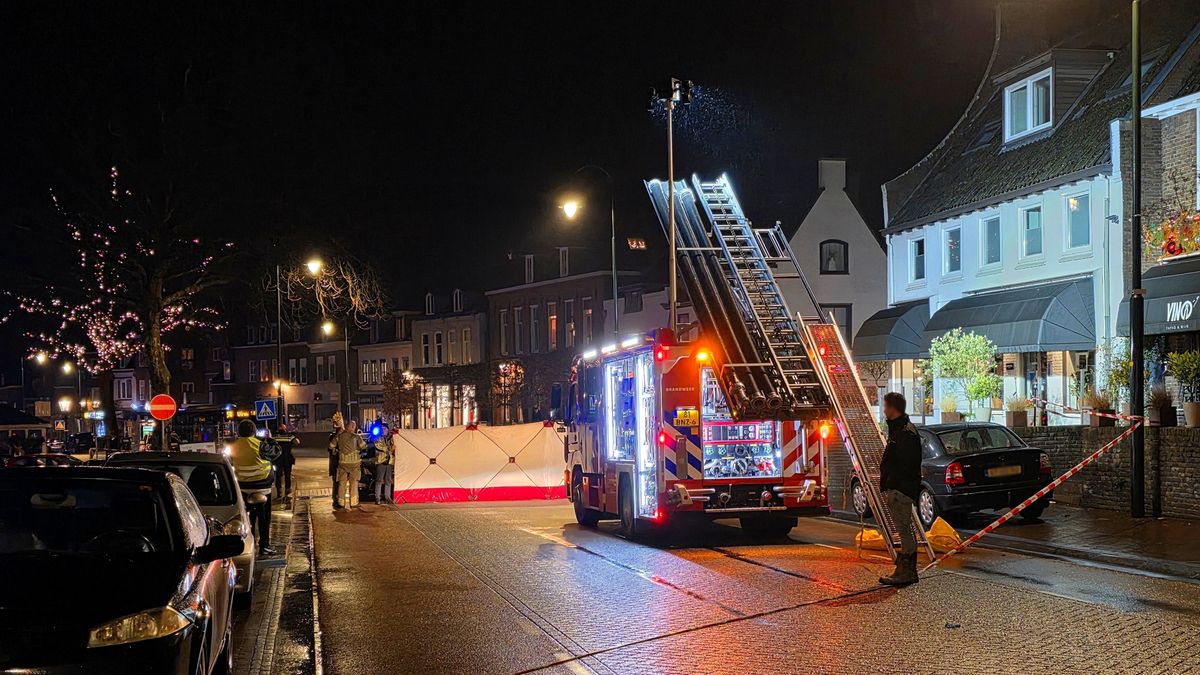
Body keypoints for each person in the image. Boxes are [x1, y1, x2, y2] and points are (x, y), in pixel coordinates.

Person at [878, 392, 922, 586]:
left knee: (904, 529)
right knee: (905, 528)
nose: (884, 410)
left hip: (900, 490)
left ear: (892, 408)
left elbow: (905, 464)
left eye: (885, 406)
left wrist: (893, 485)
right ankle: (906, 569)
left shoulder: (904, 433)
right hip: (900, 488)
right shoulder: (901, 430)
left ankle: (906, 571)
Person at [229, 419, 277, 556]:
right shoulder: (260, 444)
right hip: (263, 487)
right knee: (264, 519)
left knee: (245, 518)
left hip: (243, 488)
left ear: (239, 432)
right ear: (254, 431)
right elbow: (275, 453)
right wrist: (271, 440)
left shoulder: (233, 446)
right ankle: (264, 546)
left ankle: (247, 546)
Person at [328, 420, 366, 509]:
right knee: (354, 483)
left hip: (342, 463)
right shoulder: (357, 437)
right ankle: (353, 503)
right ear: (352, 427)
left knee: (342, 483)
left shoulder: (339, 436)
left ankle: (341, 503)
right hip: (354, 464)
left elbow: (331, 446)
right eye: (354, 426)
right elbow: (363, 446)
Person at [373, 424, 395, 504]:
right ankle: (377, 498)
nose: (383, 430)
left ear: (388, 430)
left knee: (388, 480)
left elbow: (395, 447)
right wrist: (390, 448)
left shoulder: (391, 438)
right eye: (382, 429)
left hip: (389, 462)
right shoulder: (377, 438)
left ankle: (387, 497)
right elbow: (380, 447)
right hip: (381, 461)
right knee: (379, 480)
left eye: (385, 429)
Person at [273, 424, 295, 502]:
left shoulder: (275, 436)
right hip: (287, 459)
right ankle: (287, 492)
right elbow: (297, 442)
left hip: (277, 459)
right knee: (287, 475)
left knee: (278, 476)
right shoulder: (289, 436)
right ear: (285, 429)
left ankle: (279, 492)